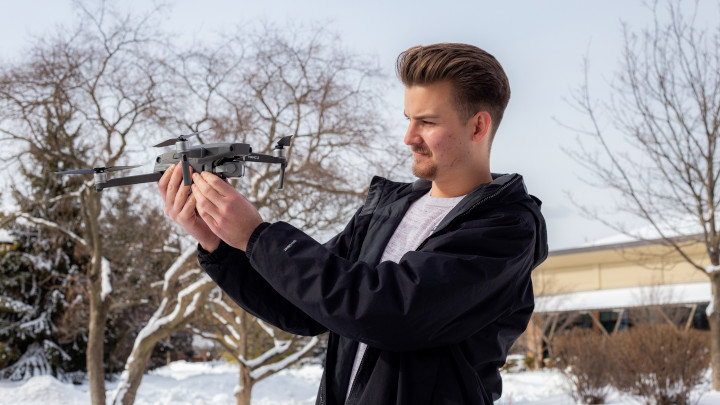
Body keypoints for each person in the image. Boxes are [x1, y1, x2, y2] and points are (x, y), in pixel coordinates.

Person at [159, 43, 548, 405]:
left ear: (478, 127)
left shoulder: (504, 230)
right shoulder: (387, 211)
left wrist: (259, 236)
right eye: (408, 119)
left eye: (426, 122)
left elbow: (387, 311)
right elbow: (306, 306)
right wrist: (219, 244)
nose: (408, 137)